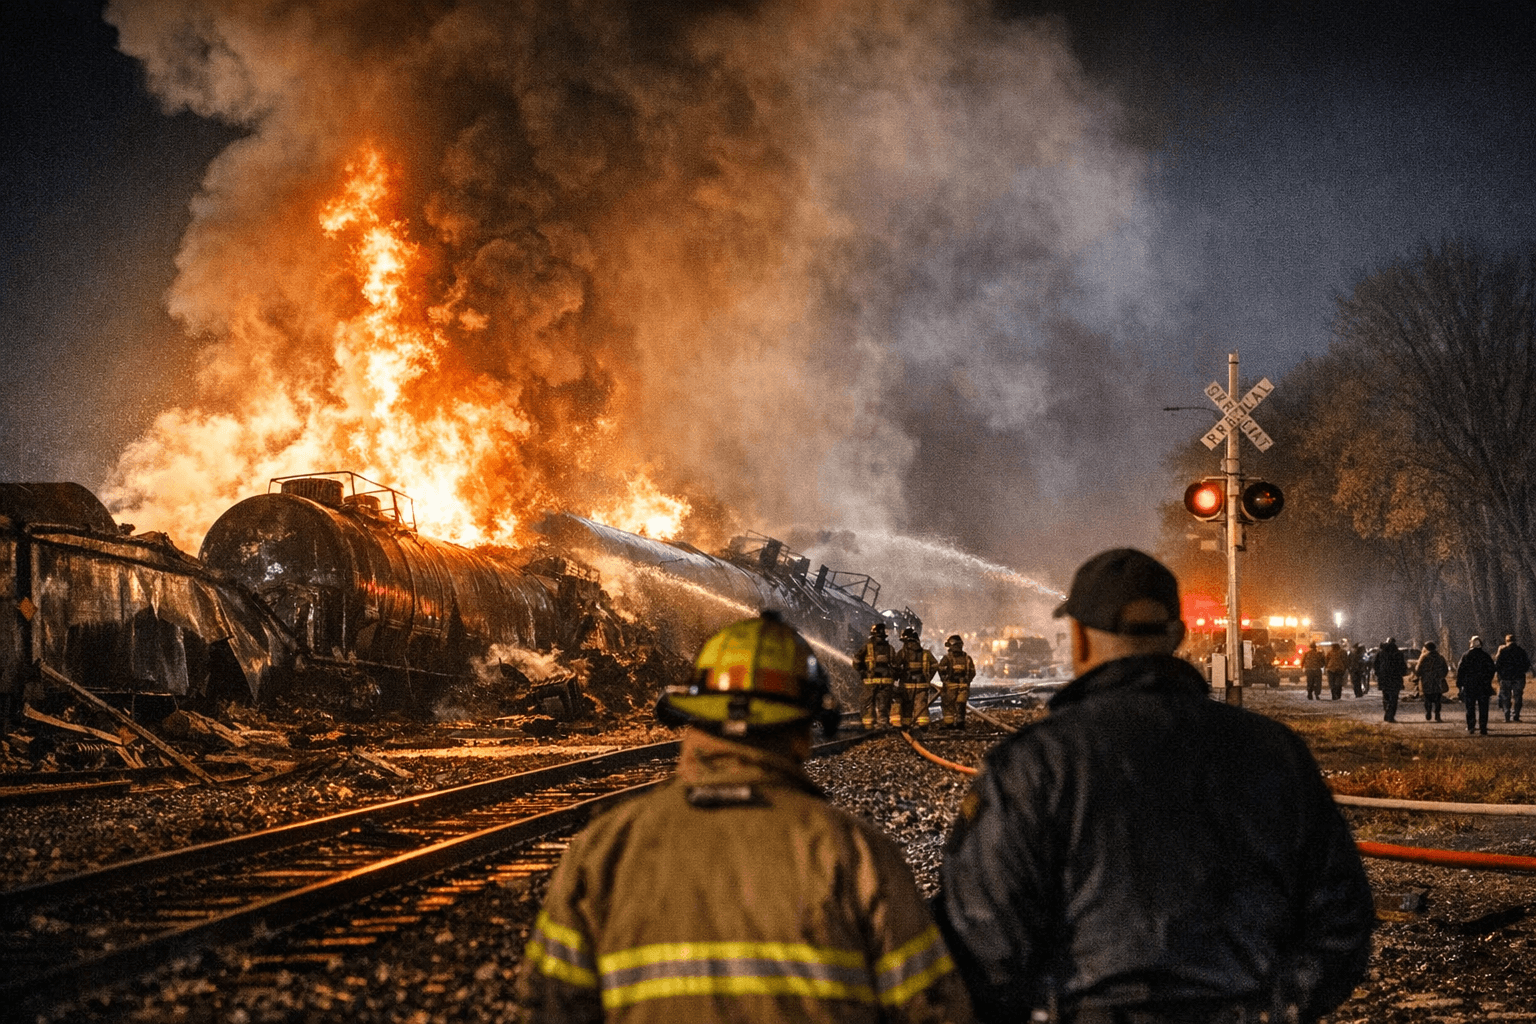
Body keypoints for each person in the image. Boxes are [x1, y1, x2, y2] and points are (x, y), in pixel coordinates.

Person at [935, 549, 1374, 1024]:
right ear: (1178, 636)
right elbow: (1342, 920)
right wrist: (1277, 1004)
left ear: (1078, 639)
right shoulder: (1275, 752)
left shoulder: (1033, 764)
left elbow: (978, 936)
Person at [518, 611, 972, 1023]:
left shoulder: (605, 848)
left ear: (691, 722)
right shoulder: (858, 856)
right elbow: (933, 1009)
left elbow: (550, 1007)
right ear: (802, 733)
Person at [854, 621, 897, 729]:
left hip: (870, 680)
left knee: (868, 702)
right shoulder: (890, 648)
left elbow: (856, 661)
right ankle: (883, 723)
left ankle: (868, 724)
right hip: (886, 681)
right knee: (884, 703)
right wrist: (893, 676)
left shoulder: (866, 647)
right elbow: (895, 665)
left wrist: (862, 671)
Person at [896, 626, 938, 729]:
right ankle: (923, 726)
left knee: (907, 706)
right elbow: (935, 665)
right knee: (921, 705)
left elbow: (895, 666)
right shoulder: (926, 653)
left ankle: (906, 726)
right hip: (922, 685)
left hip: (906, 685)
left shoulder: (902, 653)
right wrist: (928, 678)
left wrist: (898, 676)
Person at [1457, 635, 1497, 735]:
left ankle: (1471, 726)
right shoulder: (1486, 656)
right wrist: (1488, 680)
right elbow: (1492, 669)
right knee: (1483, 707)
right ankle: (1483, 727)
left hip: (1469, 685)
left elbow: (1460, 670)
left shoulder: (1465, 655)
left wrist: (1460, 684)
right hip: (1483, 686)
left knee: (1470, 707)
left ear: (1471, 644)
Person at [936, 635, 976, 730]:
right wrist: (967, 682)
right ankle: (960, 724)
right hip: (963, 686)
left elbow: (941, 670)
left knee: (948, 705)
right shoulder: (967, 658)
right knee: (961, 705)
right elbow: (972, 672)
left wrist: (945, 681)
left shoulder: (947, 658)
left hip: (950, 685)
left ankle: (950, 725)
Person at [1494, 634, 1531, 723]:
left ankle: (1507, 715)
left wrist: (1500, 674)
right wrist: (1522, 671)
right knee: (1518, 696)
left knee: (1506, 697)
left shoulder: (1503, 651)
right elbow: (1527, 664)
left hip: (1505, 678)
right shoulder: (1521, 651)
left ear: (1506, 641)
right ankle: (1516, 715)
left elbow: (1498, 664)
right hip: (1518, 677)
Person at [1373, 638, 1408, 722]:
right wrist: (1403, 673)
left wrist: (1378, 674)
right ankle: (1391, 714)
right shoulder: (1399, 654)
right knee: (1394, 697)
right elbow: (1403, 666)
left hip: (1384, 678)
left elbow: (1375, 665)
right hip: (1395, 678)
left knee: (1386, 696)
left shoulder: (1381, 654)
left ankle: (1387, 709)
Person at [1414, 640, 1448, 722]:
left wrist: (1419, 676)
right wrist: (1441, 676)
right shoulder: (1440, 657)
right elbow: (1445, 669)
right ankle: (1437, 715)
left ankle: (1428, 711)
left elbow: (1418, 670)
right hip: (1437, 682)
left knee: (1427, 698)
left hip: (1426, 682)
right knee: (1437, 700)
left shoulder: (1424, 657)